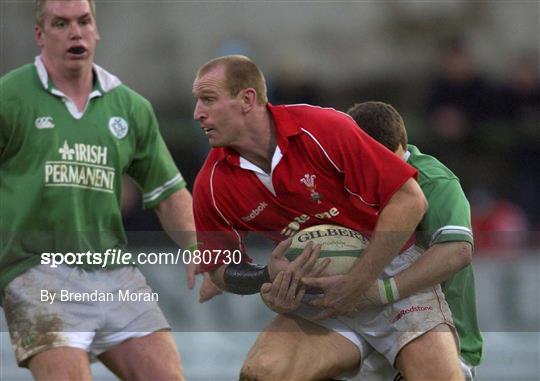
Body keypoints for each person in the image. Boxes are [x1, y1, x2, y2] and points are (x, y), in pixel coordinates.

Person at [191, 55, 463, 380]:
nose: (197, 113)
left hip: (390, 274)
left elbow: (409, 200)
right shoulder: (211, 182)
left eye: (208, 100)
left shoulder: (323, 127)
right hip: (316, 294)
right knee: (261, 374)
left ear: (247, 99)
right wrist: (267, 275)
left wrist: (359, 283)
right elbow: (219, 270)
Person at [0, 1, 195, 380]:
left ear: (96, 30)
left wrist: (195, 246)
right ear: (40, 35)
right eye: (61, 23)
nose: (75, 32)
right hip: (38, 272)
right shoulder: (9, 98)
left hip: (115, 273)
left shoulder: (131, 107)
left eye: (83, 21)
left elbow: (168, 192)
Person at [347, 101, 483, 379]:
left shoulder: (435, 181)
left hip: (442, 336)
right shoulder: (345, 180)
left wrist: (384, 291)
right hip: (372, 334)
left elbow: (456, 251)